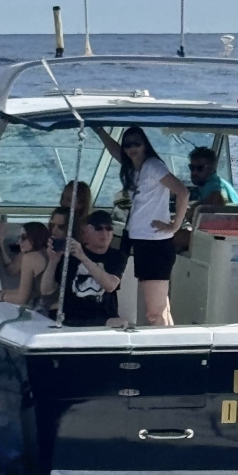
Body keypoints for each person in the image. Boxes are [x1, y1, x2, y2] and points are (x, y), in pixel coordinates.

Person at [92, 125, 188, 326]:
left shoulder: (153, 166)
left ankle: (163, 353)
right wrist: (99, 131)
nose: (132, 148)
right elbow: (115, 151)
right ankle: (170, 347)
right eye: (128, 144)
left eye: (137, 143)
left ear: (145, 144)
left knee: (155, 311)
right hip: (140, 239)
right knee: (161, 307)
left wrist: (174, 226)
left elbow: (182, 192)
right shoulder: (136, 168)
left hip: (155, 244)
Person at [40, 210, 128, 327]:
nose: (104, 233)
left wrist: (82, 257)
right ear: (87, 231)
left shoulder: (116, 257)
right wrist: (53, 260)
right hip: (72, 316)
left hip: (103, 317)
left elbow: (110, 285)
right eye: (99, 228)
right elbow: (46, 290)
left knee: (121, 323)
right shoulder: (70, 256)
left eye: (109, 228)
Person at [0, 222, 49, 307]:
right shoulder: (46, 253)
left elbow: (22, 298)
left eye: (24, 237)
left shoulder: (30, 258)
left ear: (35, 237)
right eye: (19, 237)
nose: (19, 242)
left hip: (45, 310)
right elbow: (27, 291)